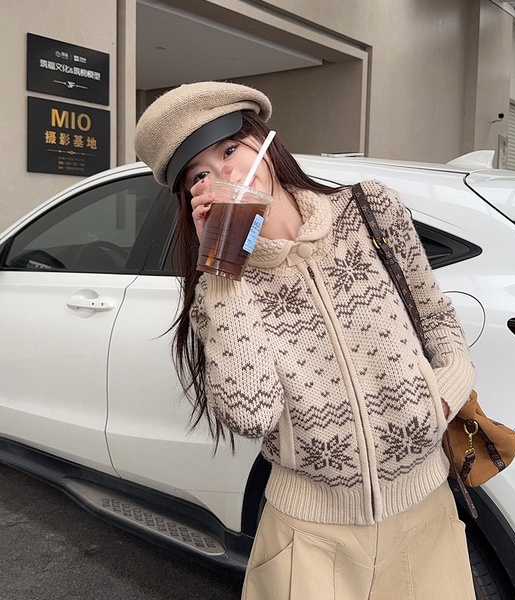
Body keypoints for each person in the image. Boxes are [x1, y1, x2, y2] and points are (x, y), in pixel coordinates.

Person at [134, 81, 477, 600]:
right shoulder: (219, 293)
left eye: (230, 150)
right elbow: (251, 414)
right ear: (191, 200)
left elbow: (437, 319)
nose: (224, 175)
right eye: (199, 175)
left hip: (425, 517)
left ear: (264, 141)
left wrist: (439, 400)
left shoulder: (370, 211)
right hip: (308, 537)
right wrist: (224, 270)